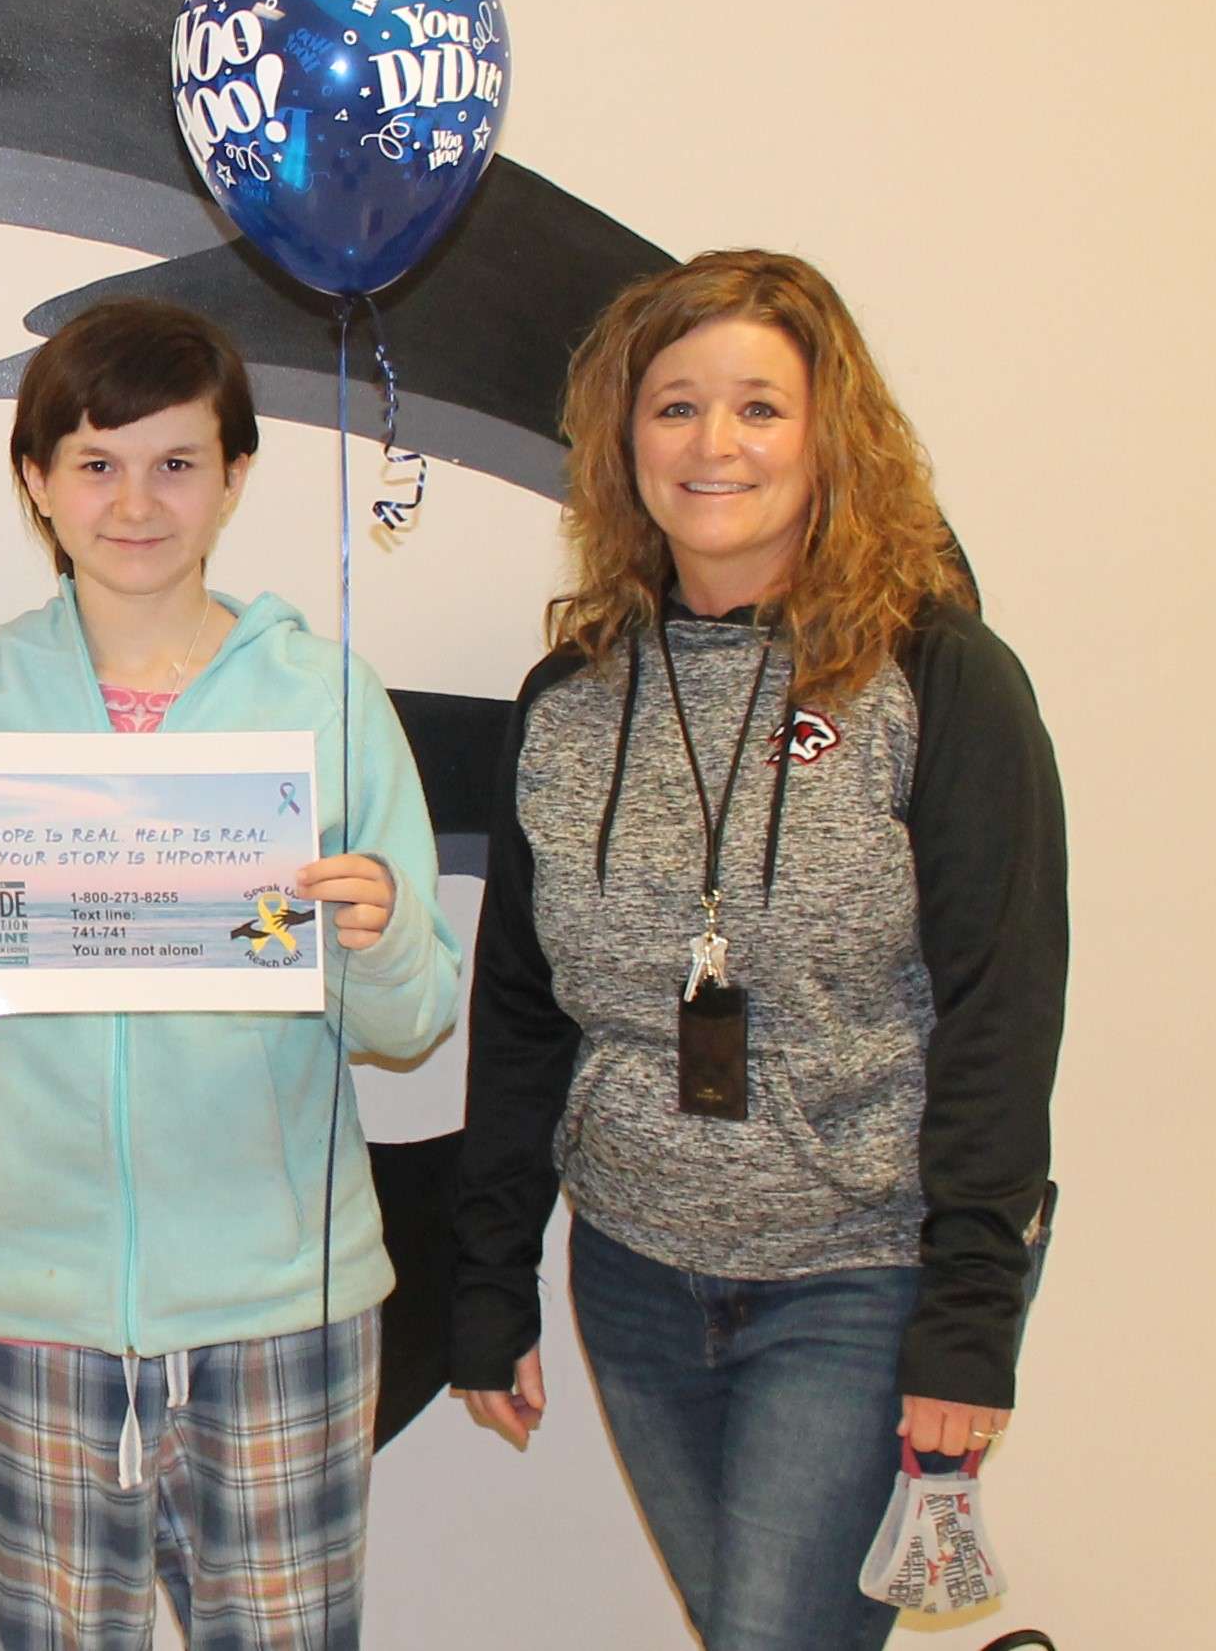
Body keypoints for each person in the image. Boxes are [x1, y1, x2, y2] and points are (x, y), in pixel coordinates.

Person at [0, 297, 462, 1650]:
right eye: (96, 462)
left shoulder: (328, 699)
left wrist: (380, 931)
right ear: (36, 483)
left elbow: (412, 1019)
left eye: (177, 462)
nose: (136, 501)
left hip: (284, 1310)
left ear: (235, 475)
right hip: (32, 1310)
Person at [449, 249, 1064, 1648]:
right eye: (673, 406)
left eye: (759, 408)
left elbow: (1002, 1008)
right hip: (639, 1272)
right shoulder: (571, 700)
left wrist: (968, 1321)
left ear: (828, 434)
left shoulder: (940, 678)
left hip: (864, 1270)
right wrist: (490, 1281)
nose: (713, 443)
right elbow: (524, 1009)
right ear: (623, 442)